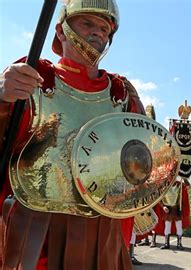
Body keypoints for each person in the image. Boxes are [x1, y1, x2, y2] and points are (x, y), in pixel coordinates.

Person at [0, 0, 145, 268]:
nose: (97, 32)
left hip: (102, 230)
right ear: (60, 30)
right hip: (35, 225)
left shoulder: (122, 94)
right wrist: (2, 99)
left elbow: (138, 169)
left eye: (104, 28)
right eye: (87, 23)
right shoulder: (32, 76)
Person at [156, 176, 191, 250]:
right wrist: (163, 207)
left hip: (177, 208)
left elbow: (188, 186)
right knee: (167, 226)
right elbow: (159, 198)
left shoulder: (179, 184)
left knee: (179, 226)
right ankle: (166, 243)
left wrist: (184, 178)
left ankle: (179, 243)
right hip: (167, 209)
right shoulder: (163, 186)